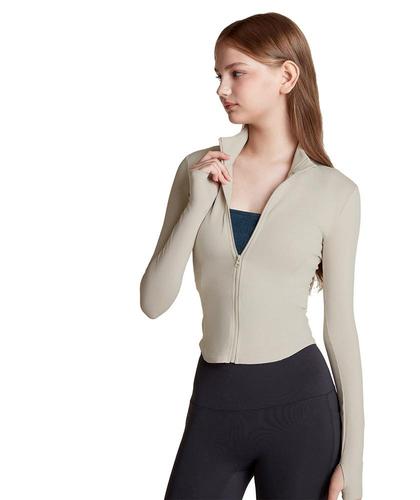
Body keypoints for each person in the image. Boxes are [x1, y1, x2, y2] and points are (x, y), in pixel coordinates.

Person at [140, 12, 364, 500]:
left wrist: (354, 461)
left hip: (302, 409)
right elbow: (153, 302)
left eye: (237, 73)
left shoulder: (335, 193)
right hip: (215, 406)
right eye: (218, 75)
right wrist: (197, 206)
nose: (222, 88)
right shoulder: (198, 170)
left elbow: (340, 328)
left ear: (287, 76)